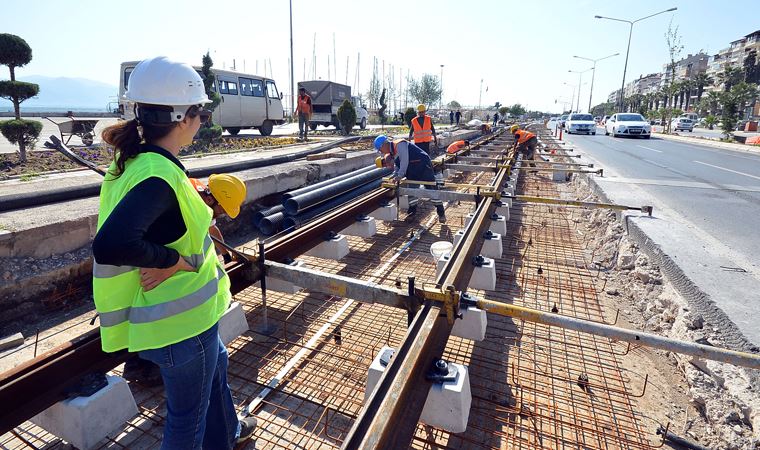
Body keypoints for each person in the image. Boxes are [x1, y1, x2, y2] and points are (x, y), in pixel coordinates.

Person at [91, 56, 256, 449]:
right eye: (200, 113)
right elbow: (112, 244)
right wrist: (173, 262)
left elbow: (164, 224)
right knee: (186, 423)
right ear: (182, 118)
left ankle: (227, 433)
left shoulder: (141, 162)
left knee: (217, 370)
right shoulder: (158, 177)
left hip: (186, 321)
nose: (202, 122)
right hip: (179, 324)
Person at [374, 134, 446, 223]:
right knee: (412, 191)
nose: (381, 152)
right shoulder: (392, 151)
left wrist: (400, 175)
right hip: (412, 169)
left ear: (383, 145)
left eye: (380, 150)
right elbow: (398, 165)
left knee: (431, 190)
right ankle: (411, 213)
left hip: (423, 165)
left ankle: (441, 213)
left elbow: (404, 160)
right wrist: (394, 176)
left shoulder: (399, 144)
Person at [188, 174, 247, 264]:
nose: (221, 215)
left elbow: (211, 228)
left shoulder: (206, 199)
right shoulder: (185, 203)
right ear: (209, 200)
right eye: (222, 211)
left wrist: (225, 254)